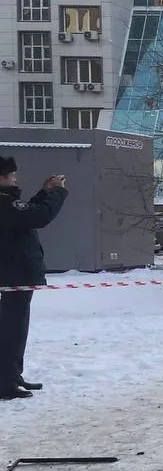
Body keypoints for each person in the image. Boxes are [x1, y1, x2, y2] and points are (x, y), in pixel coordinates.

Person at [0, 157, 68, 400]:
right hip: (13, 273)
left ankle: (11, 376)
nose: (15, 178)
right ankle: (5, 382)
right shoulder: (4, 203)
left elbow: (28, 212)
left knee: (17, 327)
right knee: (11, 329)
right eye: (10, 175)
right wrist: (57, 193)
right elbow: (38, 216)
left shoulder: (8, 202)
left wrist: (45, 191)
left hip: (16, 273)